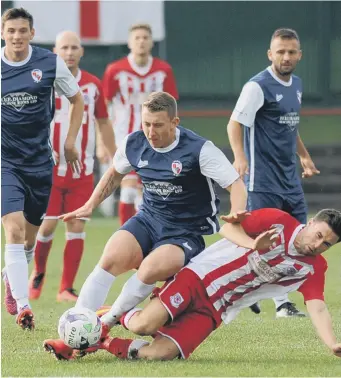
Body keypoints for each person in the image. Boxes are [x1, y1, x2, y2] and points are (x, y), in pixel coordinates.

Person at [43, 91, 247, 356]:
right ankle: (76, 337)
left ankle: (102, 326)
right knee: (110, 257)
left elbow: (236, 185)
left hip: (186, 231)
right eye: (146, 124)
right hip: (148, 219)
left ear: (175, 122)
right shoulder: (134, 143)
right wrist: (90, 205)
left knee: (150, 269)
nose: (151, 131)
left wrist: (239, 213)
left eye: (158, 125)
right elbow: (114, 174)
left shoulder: (199, 150)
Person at [45, 208, 341, 361]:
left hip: (217, 309)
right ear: (312, 222)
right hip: (199, 277)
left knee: (162, 354)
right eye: (319, 235)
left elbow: (317, 307)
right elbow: (228, 227)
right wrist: (253, 245)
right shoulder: (278, 222)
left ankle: (103, 341)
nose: (318, 245)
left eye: (327, 244)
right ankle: (114, 316)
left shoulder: (313, 268)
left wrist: (332, 344)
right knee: (143, 326)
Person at [227, 28, 320, 317]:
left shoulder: (297, 85)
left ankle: (248, 288)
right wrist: (239, 158)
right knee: (267, 240)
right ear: (270, 54)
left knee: (298, 240)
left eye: (292, 51)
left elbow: (290, 126)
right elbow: (234, 124)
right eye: (280, 51)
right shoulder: (257, 86)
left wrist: (304, 156)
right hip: (263, 179)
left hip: (290, 179)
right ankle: (281, 303)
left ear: (300, 55)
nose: (286, 56)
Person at [1, 8, 84, 330]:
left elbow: (76, 100)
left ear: (32, 34)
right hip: (5, 161)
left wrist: (70, 141)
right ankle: (23, 306)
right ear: (2, 32)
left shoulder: (49, 64)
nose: (17, 36)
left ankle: (12, 275)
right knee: (14, 229)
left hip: (39, 162)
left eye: (23, 31)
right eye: (11, 31)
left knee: (28, 241)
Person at [28, 31, 116, 303]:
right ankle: (38, 274)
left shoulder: (93, 85)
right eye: (64, 47)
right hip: (49, 168)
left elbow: (103, 121)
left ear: (82, 52)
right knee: (46, 227)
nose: (69, 52)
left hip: (82, 170)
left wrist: (111, 154)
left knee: (77, 225)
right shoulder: (44, 81)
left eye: (74, 47)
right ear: (55, 50)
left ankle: (66, 287)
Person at [100, 23, 178, 223]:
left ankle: (144, 234)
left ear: (152, 42)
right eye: (137, 38)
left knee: (145, 191)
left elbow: (172, 106)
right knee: (127, 189)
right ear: (129, 42)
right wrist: (102, 143)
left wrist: (172, 137)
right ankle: (127, 234)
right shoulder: (115, 70)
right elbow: (103, 109)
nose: (141, 41)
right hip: (123, 138)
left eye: (145, 37)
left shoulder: (163, 70)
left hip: (154, 138)